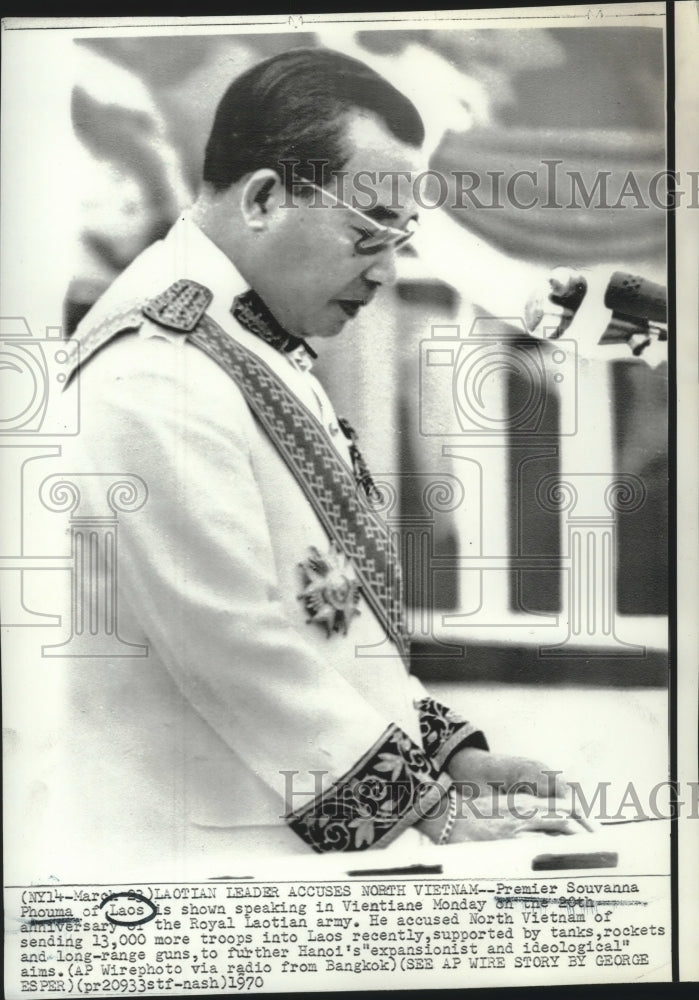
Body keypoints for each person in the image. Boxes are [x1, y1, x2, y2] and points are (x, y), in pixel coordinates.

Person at [56, 47, 580, 872]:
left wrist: (448, 758)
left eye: (400, 235)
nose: (383, 269)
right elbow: (232, 641)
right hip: (196, 855)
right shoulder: (157, 367)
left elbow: (327, 620)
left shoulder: (250, 341)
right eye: (367, 229)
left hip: (277, 827)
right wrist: (430, 812)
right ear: (265, 197)